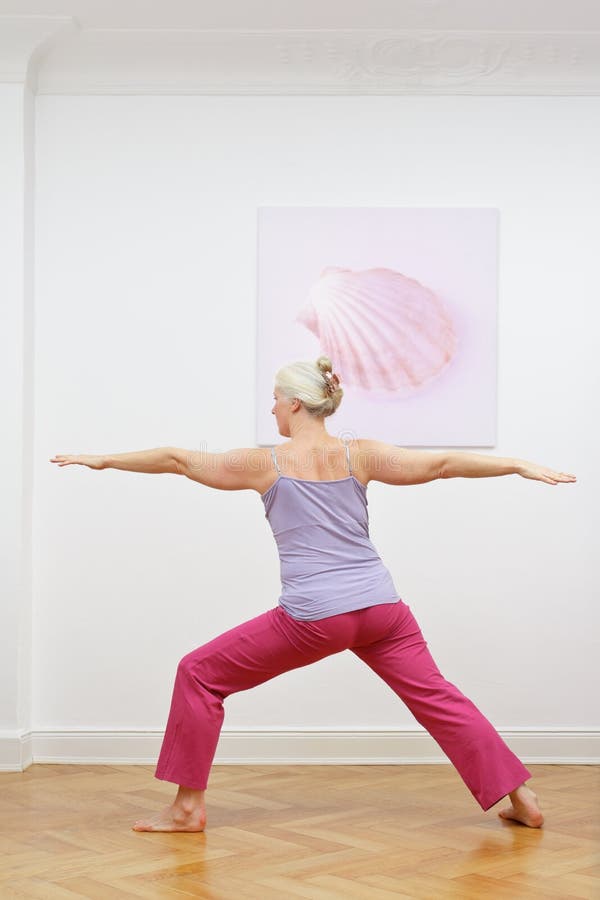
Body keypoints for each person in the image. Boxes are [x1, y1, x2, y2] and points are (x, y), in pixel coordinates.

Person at [50, 355, 576, 833]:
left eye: (276, 399)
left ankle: (187, 809)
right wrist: (515, 464)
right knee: (439, 698)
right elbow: (439, 466)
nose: (272, 407)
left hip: (315, 617)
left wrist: (104, 460)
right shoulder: (361, 454)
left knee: (199, 673)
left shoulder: (266, 464)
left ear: (295, 403)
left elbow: (179, 460)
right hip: (382, 610)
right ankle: (522, 798)